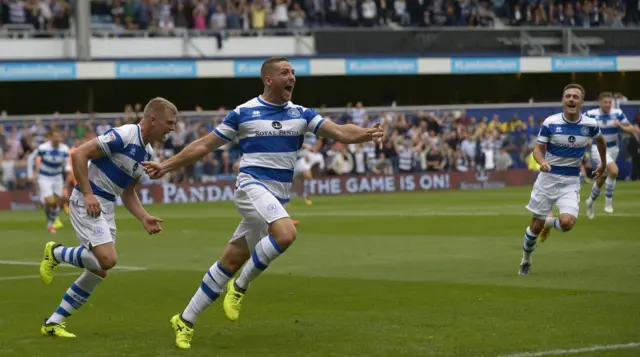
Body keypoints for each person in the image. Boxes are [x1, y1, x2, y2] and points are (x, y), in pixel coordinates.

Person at [142, 57, 384, 349]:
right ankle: (240, 286)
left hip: (276, 197)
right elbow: (205, 145)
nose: (292, 77)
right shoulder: (244, 113)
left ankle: (185, 319)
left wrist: (366, 134)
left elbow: (342, 132)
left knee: (230, 260)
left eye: (293, 72)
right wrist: (166, 166)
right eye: (285, 72)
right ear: (269, 79)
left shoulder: (302, 114)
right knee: (285, 234)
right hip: (250, 186)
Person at [38, 97, 177, 338]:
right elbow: (79, 154)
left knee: (98, 270)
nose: (172, 128)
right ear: (153, 120)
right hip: (87, 200)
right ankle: (56, 252)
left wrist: (143, 217)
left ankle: (54, 322)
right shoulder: (124, 135)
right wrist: (88, 194)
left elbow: (128, 191)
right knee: (107, 260)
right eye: (169, 123)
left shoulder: (147, 151)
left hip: (106, 205)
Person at [519, 84, 606, 275]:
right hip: (547, 179)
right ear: (563, 100)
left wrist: (603, 163)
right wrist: (541, 162)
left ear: (581, 102)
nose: (571, 99)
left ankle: (549, 223)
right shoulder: (551, 123)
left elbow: (601, 141)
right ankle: (526, 260)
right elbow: (537, 148)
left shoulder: (590, 125)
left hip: (571, 180)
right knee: (535, 225)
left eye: (576, 96)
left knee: (567, 224)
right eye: (568, 96)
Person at [584, 92, 640, 217]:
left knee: (603, 177)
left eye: (610, 102)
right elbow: (580, 127)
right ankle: (608, 202)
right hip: (597, 149)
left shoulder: (618, 113)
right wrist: (586, 137)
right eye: (606, 102)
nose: (608, 104)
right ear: (600, 103)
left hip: (613, 149)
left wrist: (620, 126)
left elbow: (632, 130)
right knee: (614, 171)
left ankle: (590, 202)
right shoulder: (591, 114)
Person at [26, 128, 71, 233]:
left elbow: (67, 162)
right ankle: (51, 222)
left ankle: (51, 223)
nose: (57, 138)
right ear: (51, 137)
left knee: (56, 202)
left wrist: (68, 169)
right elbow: (31, 158)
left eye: (59, 136)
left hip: (58, 177)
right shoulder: (43, 148)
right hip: (44, 177)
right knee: (49, 201)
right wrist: (30, 174)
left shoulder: (64, 149)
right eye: (55, 136)